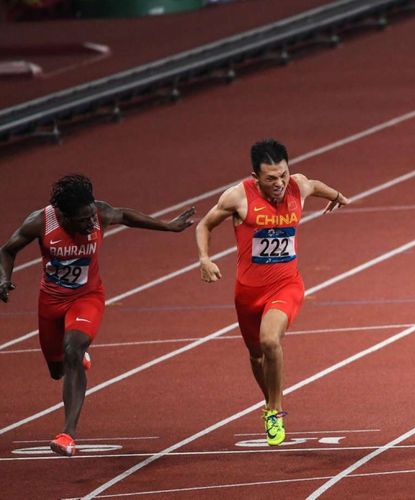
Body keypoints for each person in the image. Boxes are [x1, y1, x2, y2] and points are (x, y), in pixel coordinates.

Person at [0, 174, 194, 457]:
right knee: (57, 372)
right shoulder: (41, 222)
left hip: (87, 297)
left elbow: (125, 215)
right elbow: (7, 250)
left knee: (73, 349)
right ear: (64, 217)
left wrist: (168, 226)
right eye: (83, 220)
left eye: (92, 216)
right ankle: (76, 357)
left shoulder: (98, 213)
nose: (91, 223)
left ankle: (68, 434)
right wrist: (3, 279)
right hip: (51, 303)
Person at [195, 138, 350, 446]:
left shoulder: (297, 186)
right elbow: (204, 225)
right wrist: (204, 259)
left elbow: (315, 184)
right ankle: (270, 401)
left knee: (270, 340)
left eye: (283, 175)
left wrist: (337, 196)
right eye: (271, 179)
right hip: (248, 293)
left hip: (287, 285)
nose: (279, 183)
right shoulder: (238, 197)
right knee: (256, 355)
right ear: (256, 178)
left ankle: (274, 411)